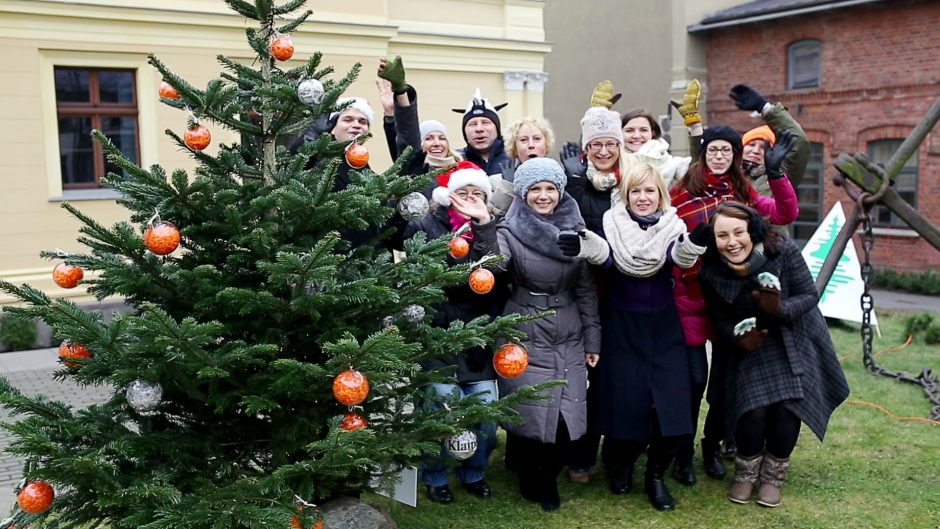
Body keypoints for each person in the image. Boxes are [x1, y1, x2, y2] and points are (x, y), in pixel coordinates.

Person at [668, 123, 799, 487]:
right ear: (704, 153)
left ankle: (712, 447)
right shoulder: (681, 194)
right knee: (693, 382)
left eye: (728, 151)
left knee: (724, 385)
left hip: (732, 300)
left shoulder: (743, 192)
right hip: (691, 299)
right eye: (714, 150)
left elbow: (785, 213)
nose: (721, 156)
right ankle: (682, 454)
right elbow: (665, 238)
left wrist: (776, 174)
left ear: (735, 155)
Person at [698, 202, 849, 507]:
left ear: (752, 230)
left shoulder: (783, 250)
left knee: (787, 406)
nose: (732, 242)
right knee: (754, 409)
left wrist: (779, 309)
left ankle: (773, 476)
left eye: (738, 232)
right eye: (722, 235)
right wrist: (738, 338)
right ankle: (746, 473)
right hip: (749, 346)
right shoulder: (711, 271)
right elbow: (719, 321)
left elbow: (809, 295)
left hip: (793, 336)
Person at [584, 162, 708, 511]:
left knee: (670, 406)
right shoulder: (612, 225)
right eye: (635, 191)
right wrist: (586, 245)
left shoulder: (674, 226)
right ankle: (621, 464)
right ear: (626, 195)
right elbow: (604, 259)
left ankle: (655, 474)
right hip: (621, 327)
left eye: (649, 191)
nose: (642, 197)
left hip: (664, 327)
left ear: (660, 195)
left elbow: (678, 257)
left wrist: (695, 243)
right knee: (624, 403)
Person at [495, 157, 606, 511]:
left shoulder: (576, 227)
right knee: (531, 410)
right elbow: (494, 265)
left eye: (550, 189)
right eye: (536, 190)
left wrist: (593, 339)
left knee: (565, 415)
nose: (544, 196)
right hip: (525, 326)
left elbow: (586, 289)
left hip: (569, 328)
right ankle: (533, 477)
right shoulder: (509, 229)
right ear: (524, 193)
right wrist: (483, 227)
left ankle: (548, 473)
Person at [393, 161, 505, 504]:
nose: (470, 199)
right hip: (438, 335)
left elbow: (495, 276)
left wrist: (484, 227)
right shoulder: (426, 225)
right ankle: (436, 474)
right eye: (463, 192)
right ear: (447, 195)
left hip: (476, 339)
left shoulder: (489, 228)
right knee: (439, 408)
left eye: (477, 194)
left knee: (485, 412)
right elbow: (423, 274)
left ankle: (474, 471)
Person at [376, 57, 461, 178]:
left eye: (442, 138)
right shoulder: (415, 171)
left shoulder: (466, 171)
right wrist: (400, 91)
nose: (437, 143)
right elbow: (407, 134)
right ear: (419, 144)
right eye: (428, 138)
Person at [488, 117, 556, 215]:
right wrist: (508, 187)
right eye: (524, 140)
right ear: (514, 148)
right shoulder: (496, 182)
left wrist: (575, 181)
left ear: (546, 145)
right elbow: (494, 219)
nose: (531, 145)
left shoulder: (558, 179)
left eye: (537, 139)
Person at [452, 88, 511, 176]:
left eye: (485, 123)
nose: (479, 129)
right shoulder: (455, 161)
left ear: (497, 129)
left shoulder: (514, 157)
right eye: (472, 124)